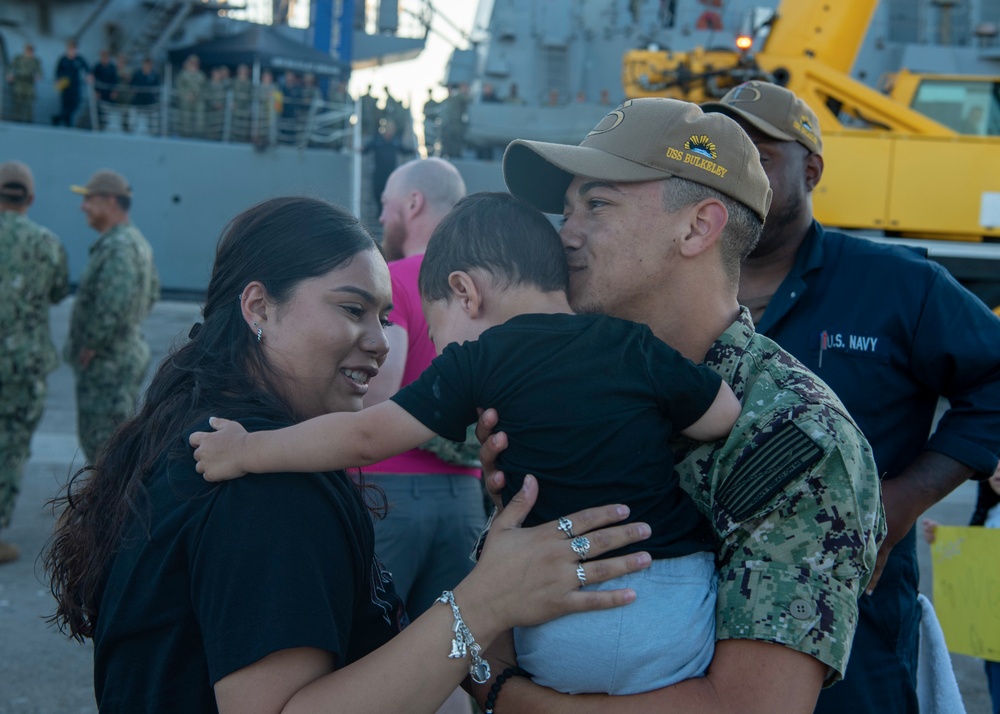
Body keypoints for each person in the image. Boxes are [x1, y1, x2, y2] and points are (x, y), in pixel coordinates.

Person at [44, 195, 654, 713]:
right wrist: (485, 601)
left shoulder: (207, 432)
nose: (379, 342)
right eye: (351, 309)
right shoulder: (267, 483)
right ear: (259, 307)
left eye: (385, 317)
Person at [192, 191, 741, 696]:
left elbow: (365, 437)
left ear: (464, 292)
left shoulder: (478, 359)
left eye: (436, 331)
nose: (440, 346)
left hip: (569, 618)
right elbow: (722, 416)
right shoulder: (633, 343)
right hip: (676, 609)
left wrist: (247, 451)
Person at [471, 97, 885, 711]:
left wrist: (501, 691)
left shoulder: (795, 437)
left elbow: (747, 708)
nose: (567, 233)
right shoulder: (553, 378)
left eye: (598, 204)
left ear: (698, 227)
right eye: (567, 208)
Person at [699, 80, 1000, 713]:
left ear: (811, 169)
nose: (734, 174)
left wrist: (901, 500)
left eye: (758, 154)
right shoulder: (676, 289)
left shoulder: (899, 286)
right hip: (695, 611)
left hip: (851, 620)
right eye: (719, 155)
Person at [0, 161, 69, 564]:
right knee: (9, 447)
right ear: (30, 199)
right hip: (24, 366)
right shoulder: (46, 242)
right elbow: (59, 291)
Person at [66, 170, 160, 463]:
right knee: (109, 444)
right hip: (119, 356)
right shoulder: (136, 242)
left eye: (88, 199)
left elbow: (113, 302)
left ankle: (105, 508)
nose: (83, 207)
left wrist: (92, 344)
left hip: (107, 363)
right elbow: (153, 292)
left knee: (102, 449)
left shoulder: (119, 247)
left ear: (109, 201)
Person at [922, 461, 1000, 714]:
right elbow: (974, 560)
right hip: (993, 634)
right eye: (998, 464)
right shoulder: (989, 513)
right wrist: (943, 538)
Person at [363, 120, 415, 215]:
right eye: (388, 129)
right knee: (377, 190)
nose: (389, 131)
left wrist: (414, 150)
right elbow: (366, 149)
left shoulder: (395, 142)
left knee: (390, 192)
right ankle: (380, 210)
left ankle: (386, 211)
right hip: (379, 171)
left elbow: (403, 150)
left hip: (391, 172)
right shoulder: (377, 141)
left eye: (391, 129)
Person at [52, 40, 90, 127]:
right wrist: (58, 80)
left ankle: (59, 118)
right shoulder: (63, 59)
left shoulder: (79, 59)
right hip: (64, 85)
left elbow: (87, 68)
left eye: (74, 49)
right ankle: (67, 122)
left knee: (76, 103)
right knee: (65, 104)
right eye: (70, 48)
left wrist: (89, 76)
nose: (72, 50)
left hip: (75, 85)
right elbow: (58, 71)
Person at [6, 44, 42, 123]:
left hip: (29, 83)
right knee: (17, 101)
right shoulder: (18, 59)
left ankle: (28, 119)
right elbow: (11, 68)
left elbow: (39, 73)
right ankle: (16, 118)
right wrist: (10, 74)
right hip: (19, 82)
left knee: (29, 102)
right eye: (27, 50)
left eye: (31, 51)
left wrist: (37, 76)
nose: (29, 53)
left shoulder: (35, 61)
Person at [174, 54, 205, 138]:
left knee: (200, 115)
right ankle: (185, 133)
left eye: (195, 62)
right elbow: (179, 86)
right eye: (192, 62)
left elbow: (203, 87)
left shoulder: (201, 75)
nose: (193, 64)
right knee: (185, 116)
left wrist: (196, 95)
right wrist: (187, 94)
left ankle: (199, 134)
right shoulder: (183, 74)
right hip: (185, 99)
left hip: (197, 99)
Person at [128, 57, 160, 135]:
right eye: (146, 64)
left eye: (149, 65)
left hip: (149, 101)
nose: (147, 66)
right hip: (138, 100)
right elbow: (132, 85)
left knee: (155, 113)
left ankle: (154, 131)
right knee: (132, 112)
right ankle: (131, 130)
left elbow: (157, 88)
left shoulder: (155, 75)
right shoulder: (137, 74)